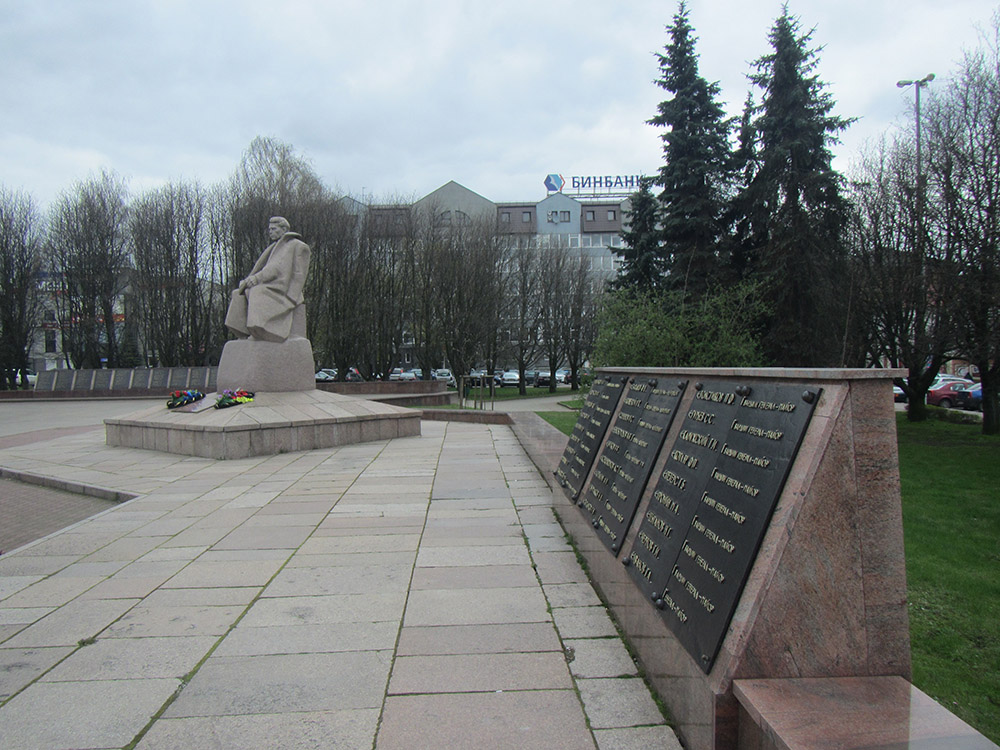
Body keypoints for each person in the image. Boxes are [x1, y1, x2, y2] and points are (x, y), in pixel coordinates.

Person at [224, 216, 311, 343]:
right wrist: (248, 280)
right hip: (271, 285)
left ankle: (263, 329)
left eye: (273, 229)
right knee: (239, 293)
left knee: (257, 292)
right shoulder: (273, 247)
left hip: (282, 288)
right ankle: (242, 331)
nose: (270, 232)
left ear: (284, 229)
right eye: (269, 229)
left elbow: (277, 268)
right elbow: (262, 268)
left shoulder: (295, 245)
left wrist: (257, 278)